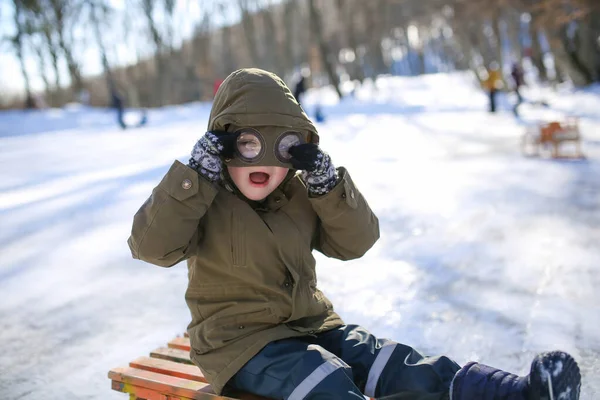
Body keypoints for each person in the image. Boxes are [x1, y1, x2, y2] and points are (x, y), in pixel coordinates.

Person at [128, 68, 581, 400]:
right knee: (323, 380)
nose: (262, 160)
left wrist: (329, 188)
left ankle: (514, 393)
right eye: (247, 144)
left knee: (392, 361)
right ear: (221, 143)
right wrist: (192, 180)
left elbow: (356, 242)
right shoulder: (202, 197)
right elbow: (151, 247)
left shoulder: (300, 193)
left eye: (282, 146)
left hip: (312, 325)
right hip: (238, 345)